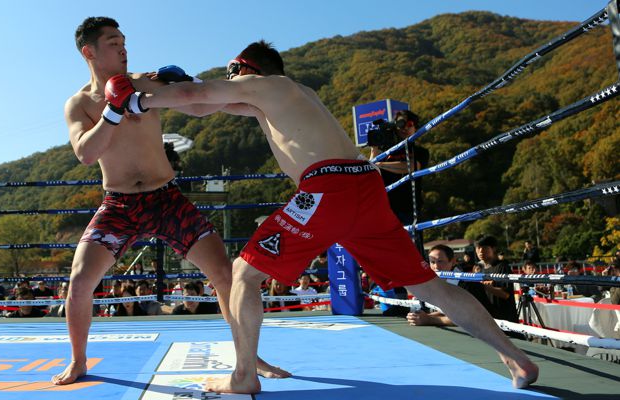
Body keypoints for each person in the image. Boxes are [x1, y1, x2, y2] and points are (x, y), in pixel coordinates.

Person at [132, 40, 538, 393]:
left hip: (328, 187)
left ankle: (243, 375)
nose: (228, 78)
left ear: (245, 68)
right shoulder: (287, 94)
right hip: (364, 185)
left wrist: (137, 101)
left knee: (243, 273)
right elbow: (203, 105)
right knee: (428, 286)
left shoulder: (270, 85)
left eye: (230, 72)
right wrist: (154, 84)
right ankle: (515, 358)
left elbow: (194, 98)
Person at [52, 17, 287, 386]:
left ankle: (249, 357)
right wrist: (112, 111)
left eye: (124, 40)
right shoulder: (79, 103)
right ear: (89, 51)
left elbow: (199, 108)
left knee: (224, 273)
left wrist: (196, 84)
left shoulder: (148, 83)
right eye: (113, 42)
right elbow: (85, 152)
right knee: (80, 281)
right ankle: (78, 361)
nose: (123, 48)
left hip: (167, 198)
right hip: (119, 205)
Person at [368, 110, 429, 227]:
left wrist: (380, 164)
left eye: (409, 124)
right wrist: (374, 149)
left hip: (410, 209)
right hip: (386, 210)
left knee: (412, 243)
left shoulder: (420, 152)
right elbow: (371, 170)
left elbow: (412, 167)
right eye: (401, 124)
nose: (405, 128)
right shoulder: (385, 153)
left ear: (416, 127)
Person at [407, 244, 494, 326]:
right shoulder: (438, 282)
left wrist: (429, 319)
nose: (436, 266)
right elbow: (447, 311)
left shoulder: (466, 284)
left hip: (493, 333)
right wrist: (421, 316)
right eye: (432, 262)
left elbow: (466, 317)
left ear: (453, 262)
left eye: (440, 261)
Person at [475, 235, 519, 323]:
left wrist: (484, 286)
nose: (481, 251)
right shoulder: (480, 269)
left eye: (484, 247)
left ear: (493, 249)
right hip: (488, 318)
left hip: (505, 320)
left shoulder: (502, 267)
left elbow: (506, 294)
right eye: (478, 247)